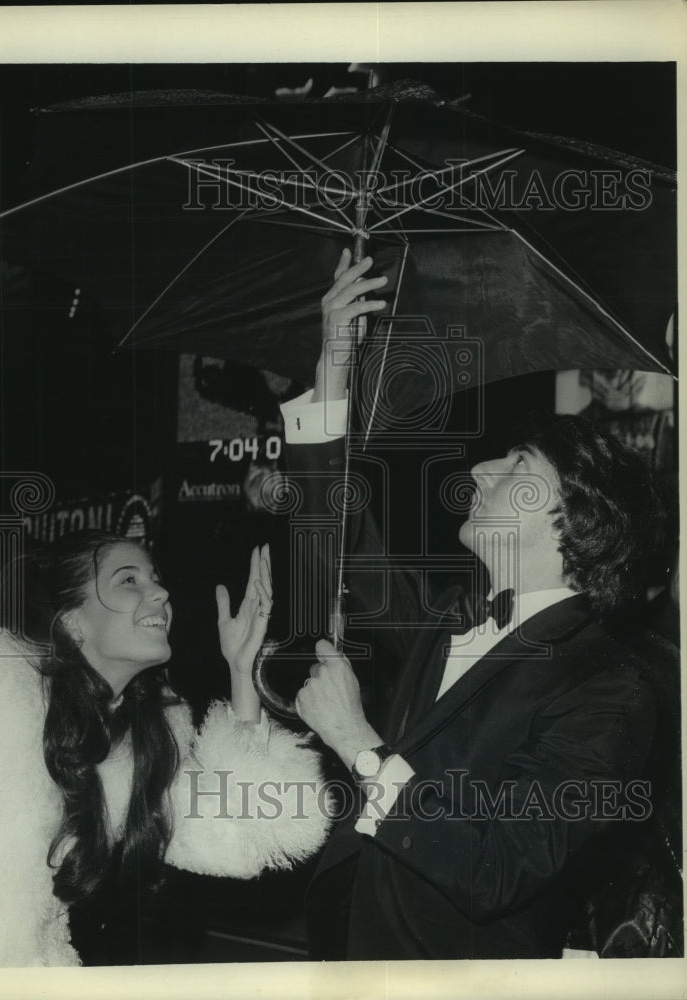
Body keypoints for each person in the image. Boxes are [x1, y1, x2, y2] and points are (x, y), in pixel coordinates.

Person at [281, 249, 669, 959]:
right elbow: (336, 540)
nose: (479, 469)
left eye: (517, 463)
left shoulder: (611, 690)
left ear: (576, 518)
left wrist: (356, 743)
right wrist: (334, 365)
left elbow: (495, 867)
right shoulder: (449, 610)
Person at [0, 531, 330, 967]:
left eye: (156, 579)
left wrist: (241, 669)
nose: (160, 592)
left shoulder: (140, 736)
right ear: (71, 621)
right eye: (129, 580)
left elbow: (253, 833)